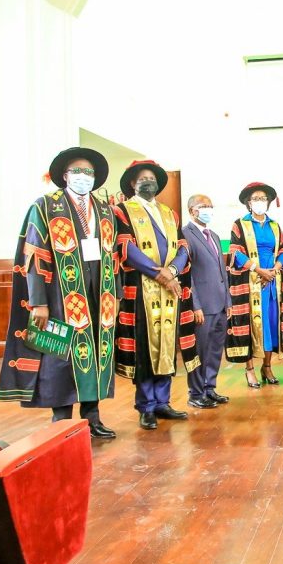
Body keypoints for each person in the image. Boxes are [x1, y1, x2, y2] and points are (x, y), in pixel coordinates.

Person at [0, 147, 119, 439]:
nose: (83, 177)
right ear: (64, 176)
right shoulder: (45, 206)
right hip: (59, 293)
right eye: (77, 171)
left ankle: (92, 417)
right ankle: (62, 419)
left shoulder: (104, 210)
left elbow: (113, 255)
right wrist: (38, 301)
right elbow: (34, 256)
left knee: (97, 353)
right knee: (60, 355)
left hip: (98, 292)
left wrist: (115, 296)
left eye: (88, 172)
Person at [113, 160, 199, 428]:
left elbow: (183, 247)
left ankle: (163, 401)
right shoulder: (122, 211)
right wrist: (159, 273)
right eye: (142, 178)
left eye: (152, 178)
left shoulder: (169, 213)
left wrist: (172, 270)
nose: (148, 181)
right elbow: (126, 248)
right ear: (132, 183)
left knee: (167, 343)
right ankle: (146, 405)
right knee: (144, 345)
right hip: (141, 287)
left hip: (170, 288)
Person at [226, 182, 283, 386]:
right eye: (255, 199)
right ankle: (249, 370)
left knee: (271, 325)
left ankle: (267, 367)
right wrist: (258, 270)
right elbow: (235, 252)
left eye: (263, 199)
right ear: (248, 202)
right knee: (251, 325)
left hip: (272, 281)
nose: (259, 202)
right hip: (251, 282)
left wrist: (274, 269)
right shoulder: (240, 224)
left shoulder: (275, 225)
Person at [182, 193, 232, 406]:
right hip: (202, 305)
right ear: (192, 210)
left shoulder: (215, 236)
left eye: (210, 206)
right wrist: (195, 305)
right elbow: (187, 273)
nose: (208, 209)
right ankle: (195, 393)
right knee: (200, 350)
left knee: (214, 349)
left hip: (220, 303)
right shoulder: (185, 234)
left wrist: (228, 301)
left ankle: (209, 387)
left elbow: (222, 271)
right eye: (204, 206)